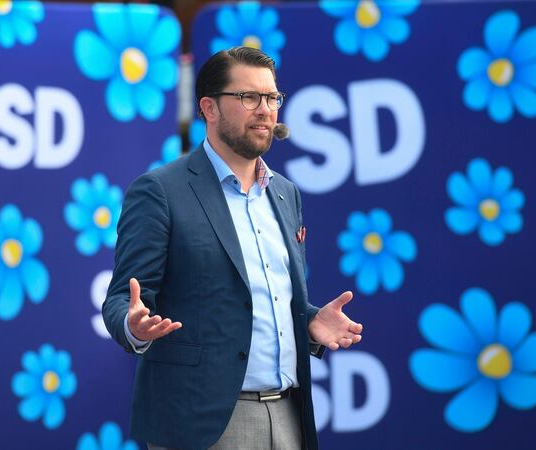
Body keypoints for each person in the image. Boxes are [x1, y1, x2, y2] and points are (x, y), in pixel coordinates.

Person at [103, 46, 363, 450]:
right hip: (201, 422)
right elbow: (124, 298)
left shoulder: (284, 193)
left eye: (272, 98)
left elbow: (255, 296)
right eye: (248, 97)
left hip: (289, 412)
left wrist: (308, 322)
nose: (265, 109)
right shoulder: (160, 191)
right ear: (209, 108)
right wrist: (134, 326)